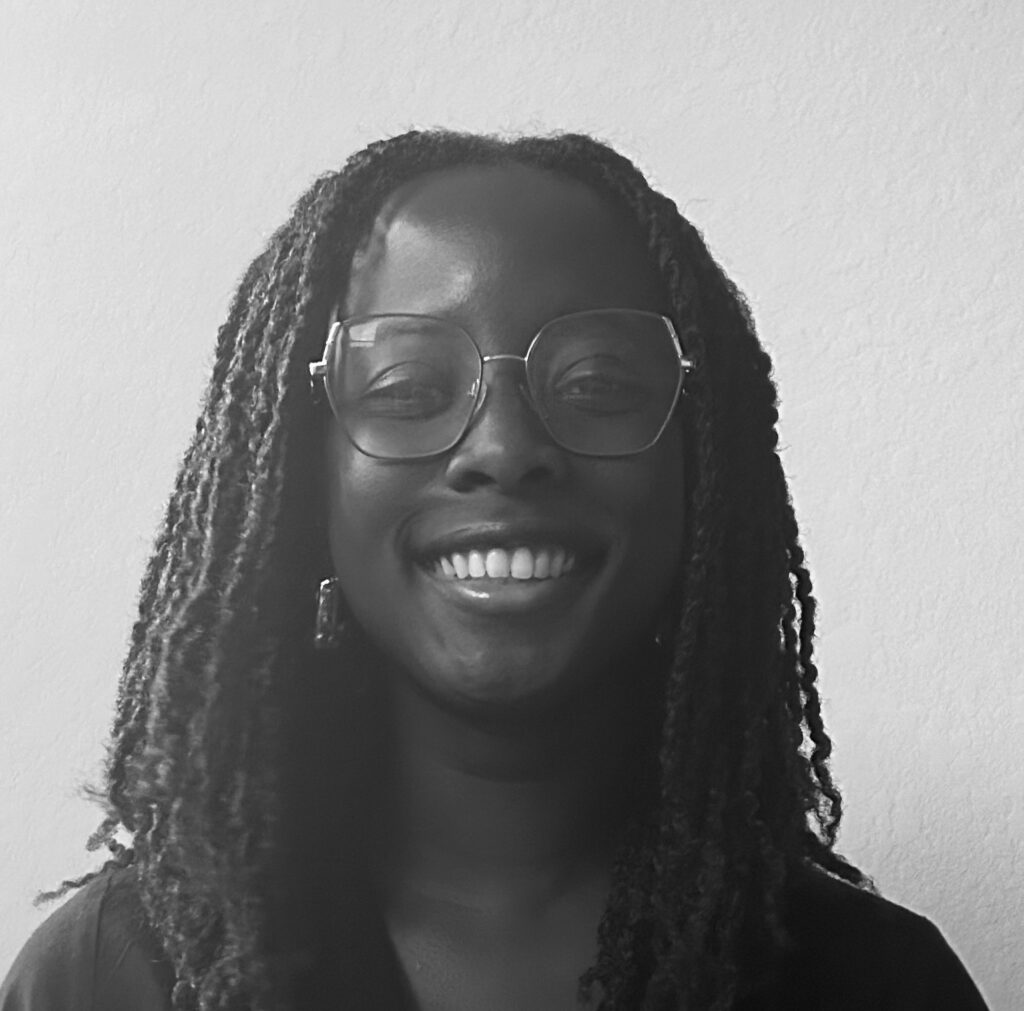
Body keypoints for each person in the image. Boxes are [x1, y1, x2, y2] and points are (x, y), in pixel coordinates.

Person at [1, 130, 989, 1011]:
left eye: (596, 383)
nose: (505, 449)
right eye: (409, 387)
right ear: (301, 475)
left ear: (703, 472)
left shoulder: (875, 985)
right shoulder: (108, 977)